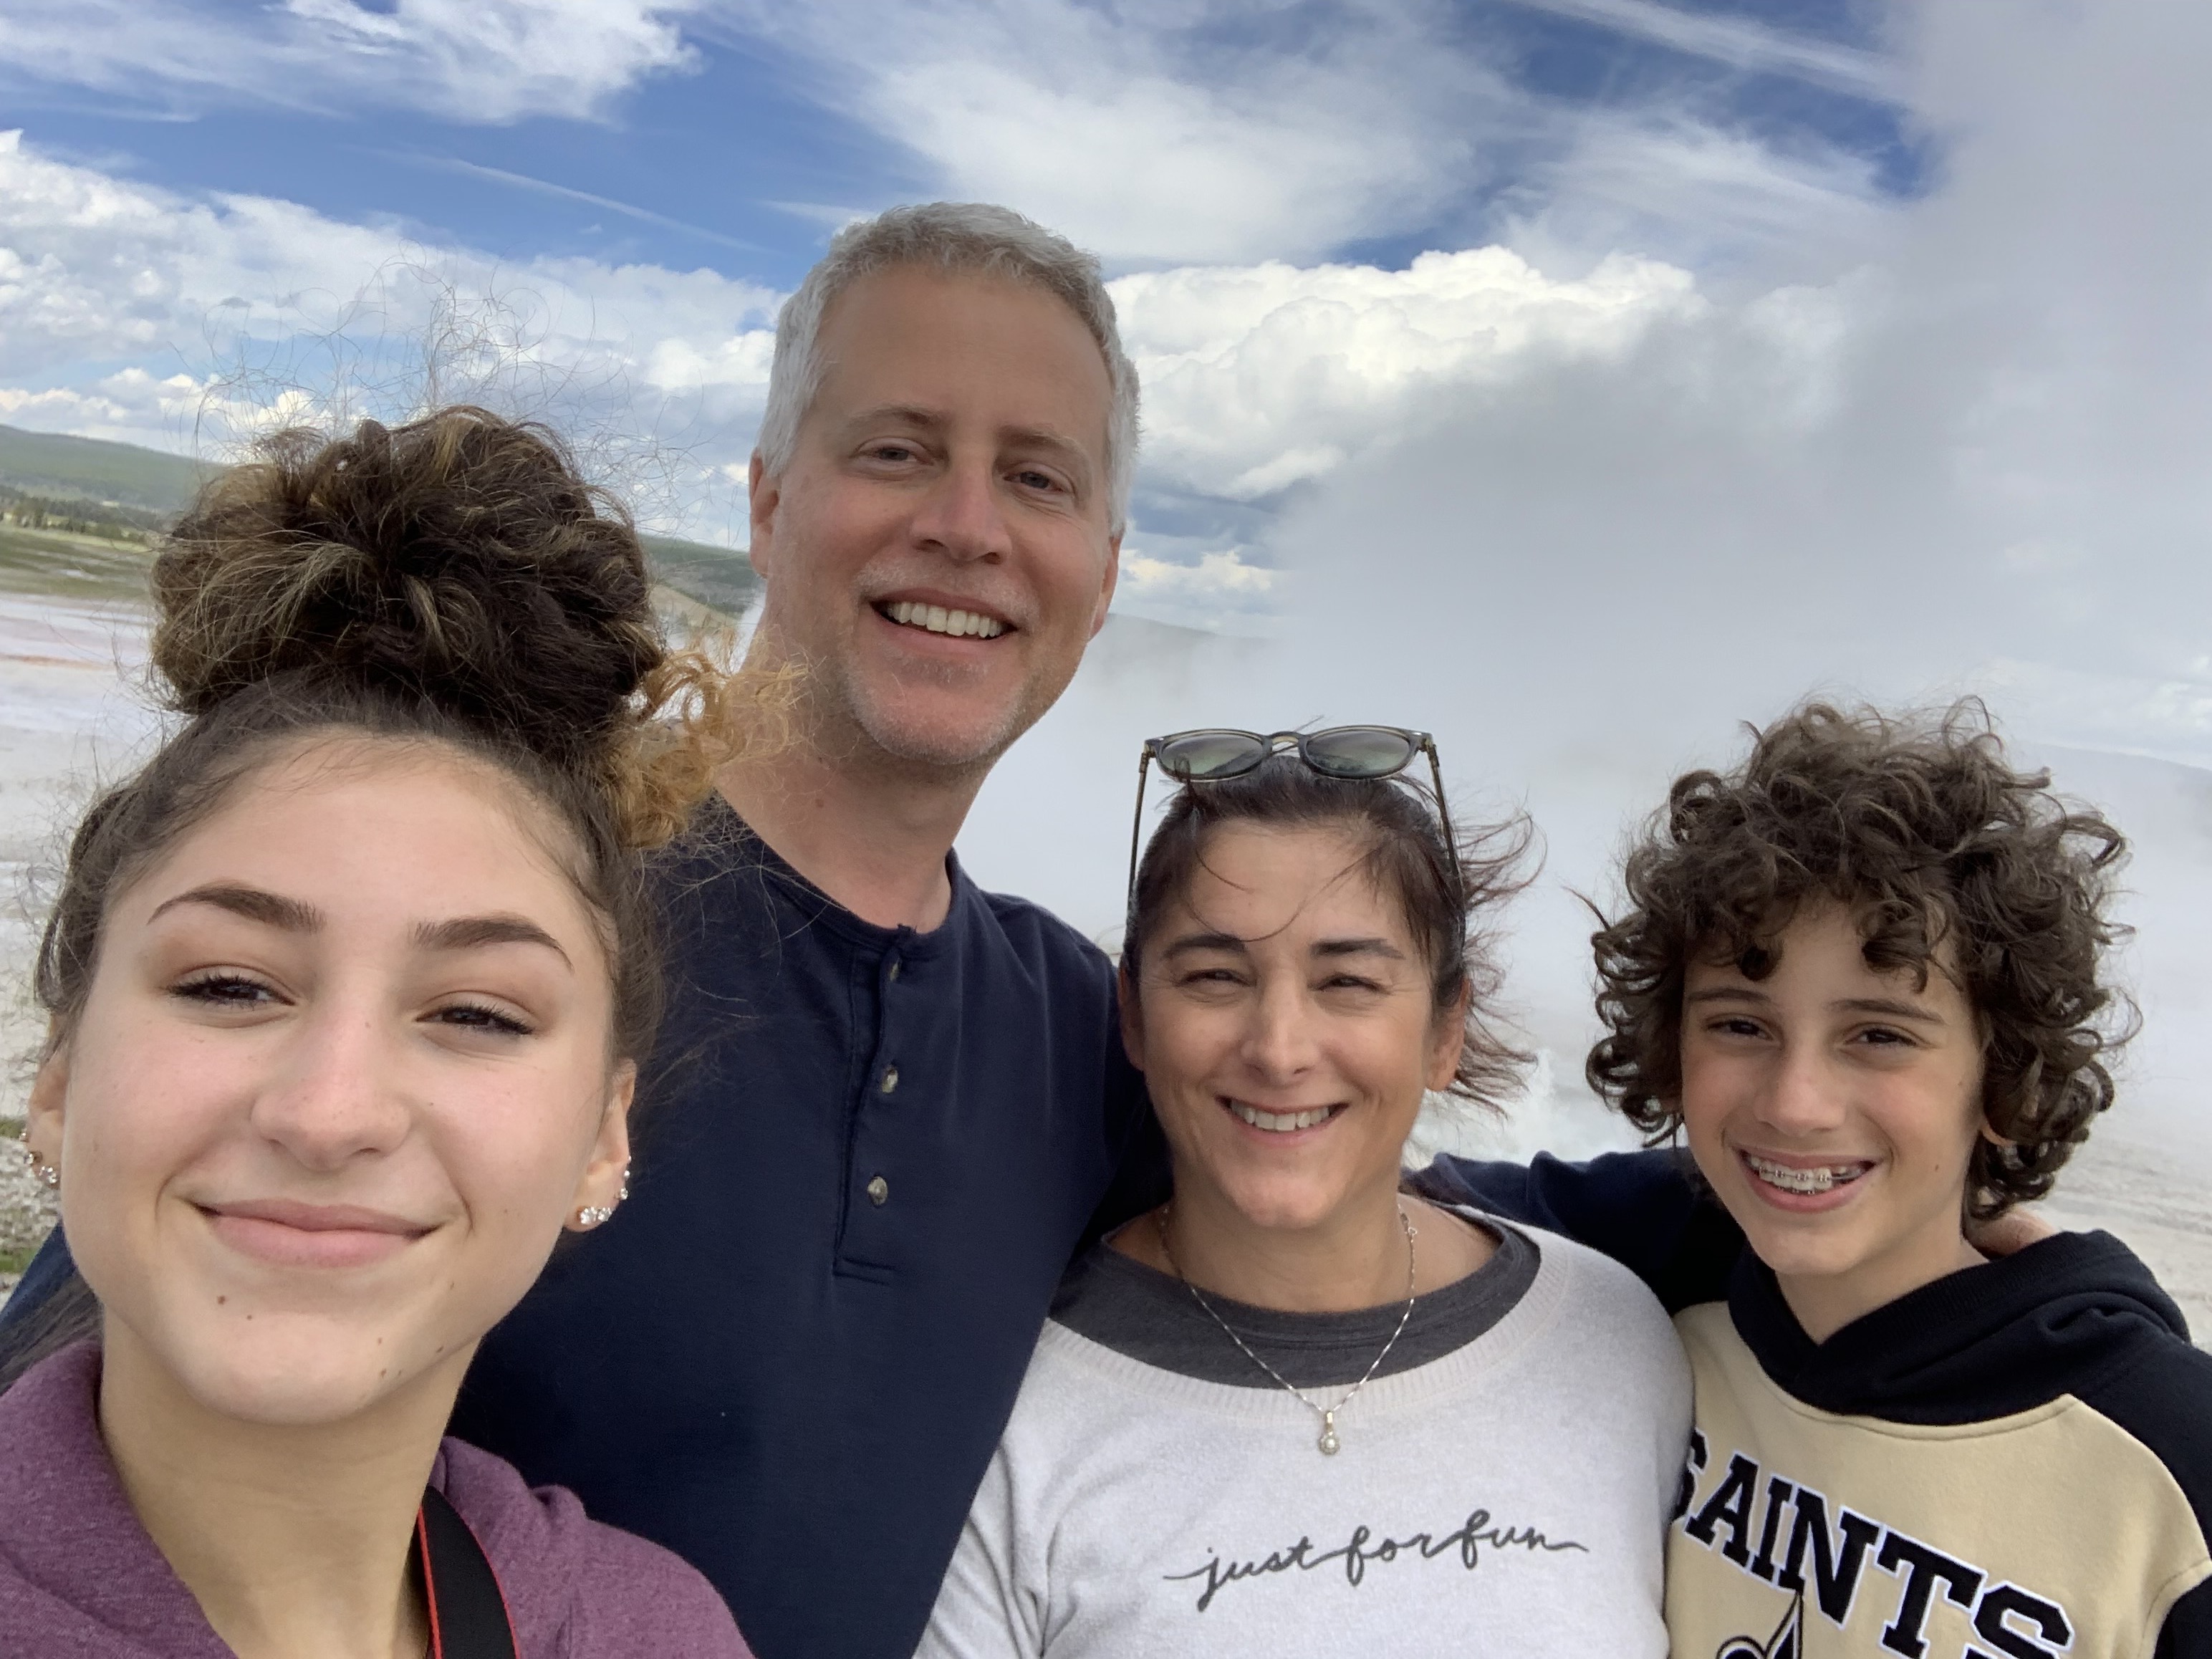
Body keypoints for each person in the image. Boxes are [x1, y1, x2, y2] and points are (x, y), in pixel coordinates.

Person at [0, 201, 1167, 1659]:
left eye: (1037, 477)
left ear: (1103, 568)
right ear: (765, 500)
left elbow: (1348, 1194)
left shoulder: (1080, 1037)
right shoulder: (483, 933)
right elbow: (77, 1420)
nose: (966, 524)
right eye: (896, 449)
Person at [0, 408, 755, 1656]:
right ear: (63, 1078)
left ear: (601, 1142)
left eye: (474, 1012)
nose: (328, 1111)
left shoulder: (654, 1632)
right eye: (231, 987)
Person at [920, 728, 1688, 1657]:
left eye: (1348, 982)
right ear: (1132, 1014)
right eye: (1215, 977)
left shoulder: (1615, 1340)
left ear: (1447, 1029)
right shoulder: (1007, 1411)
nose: (1279, 1048)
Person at [1489, 704, 2211, 1658]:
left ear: (2005, 1082)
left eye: (1879, 1035)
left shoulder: (2167, 1456)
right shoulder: (1653, 1263)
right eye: (1741, 1025)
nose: (1797, 1104)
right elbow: (1376, 1211)